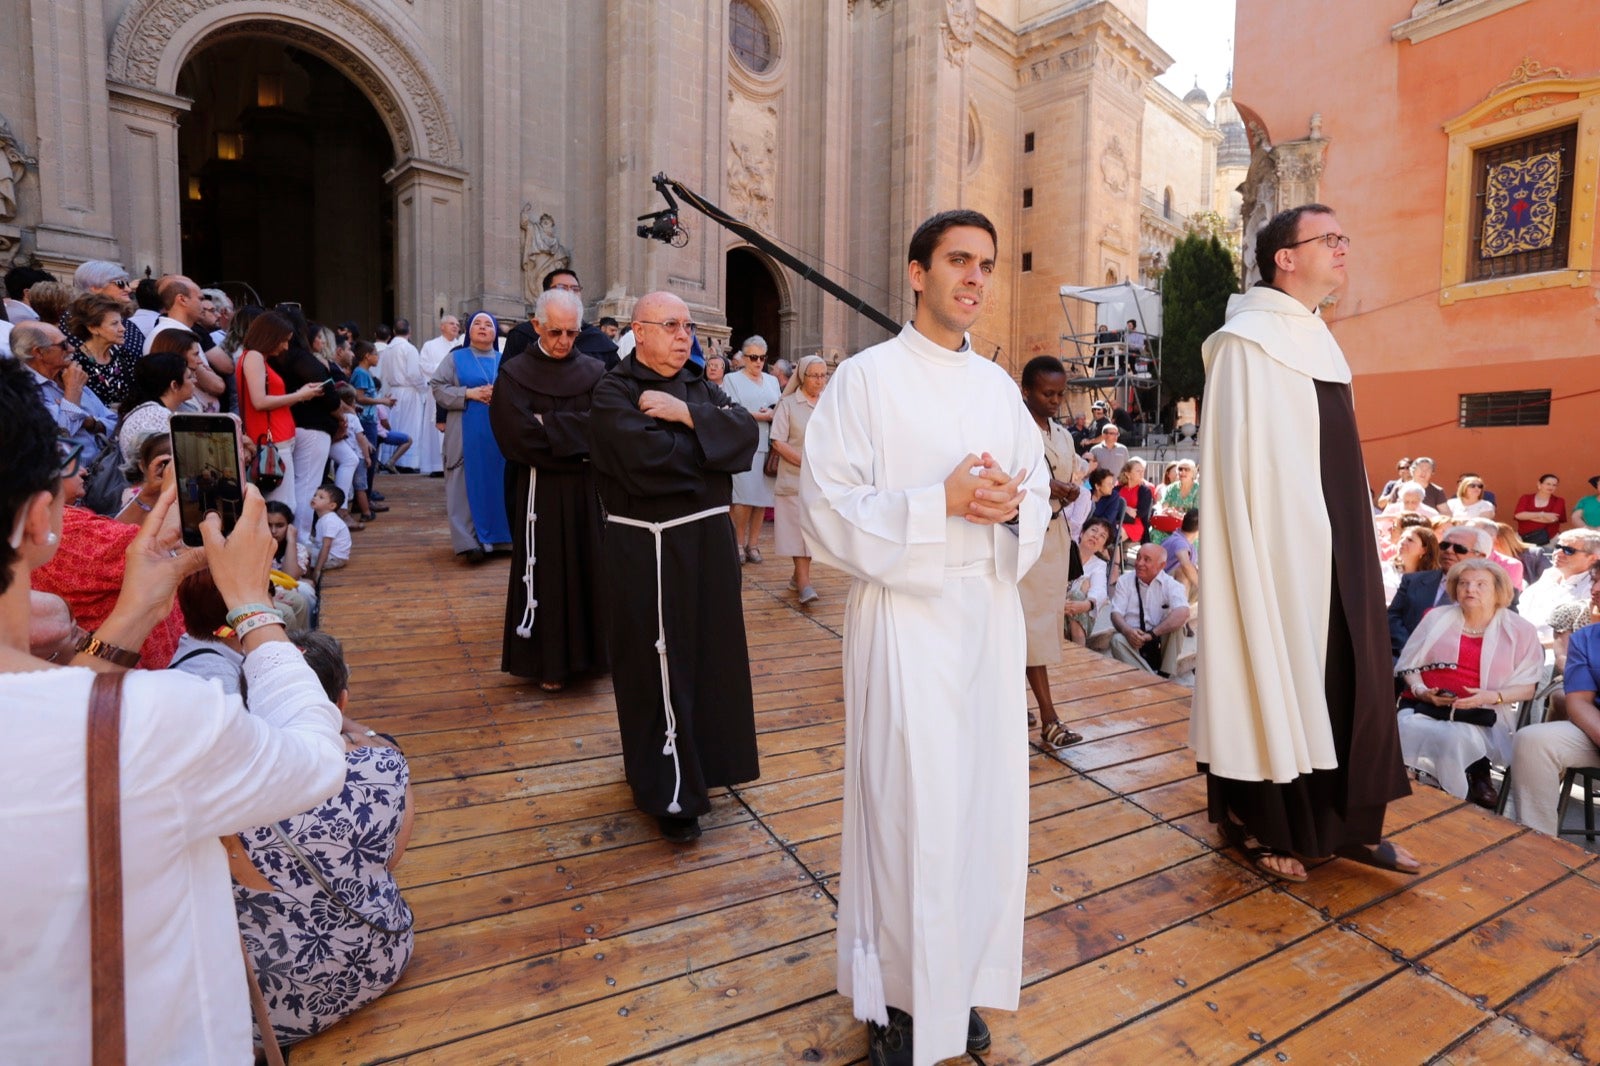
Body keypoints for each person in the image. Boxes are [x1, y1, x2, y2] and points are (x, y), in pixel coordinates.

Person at [0, 353, 346, 1062]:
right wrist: (253, 607)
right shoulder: (161, 722)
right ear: (39, 519)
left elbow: (50, 709)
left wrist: (134, 612)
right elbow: (313, 762)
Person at [799, 209, 1048, 1066]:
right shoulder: (865, 382)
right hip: (905, 624)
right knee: (909, 813)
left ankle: (963, 984)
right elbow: (826, 509)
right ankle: (900, 999)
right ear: (916, 273)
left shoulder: (1000, 389)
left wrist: (1012, 508)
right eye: (957, 261)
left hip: (984, 620)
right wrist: (936, 503)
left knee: (982, 811)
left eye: (985, 264)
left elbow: (1038, 492)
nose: (975, 278)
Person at [1191, 203, 1416, 885]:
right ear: (1284, 257)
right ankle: (1266, 824)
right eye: (1330, 239)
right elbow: (1233, 470)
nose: (1344, 248)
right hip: (1277, 548)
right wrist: (1268, 547)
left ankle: (1345, 826)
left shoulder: (1316, 338)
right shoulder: (1246, 343)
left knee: (1352, 670)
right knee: (1278, 668)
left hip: (1337, 535)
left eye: (1346, 237)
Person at [588, 290, 760, 844]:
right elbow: (645, 462)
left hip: (707, 545)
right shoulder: (613, 390)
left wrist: (687, 416)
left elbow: (746, 437)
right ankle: (669, 791)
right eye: (671, 324)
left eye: (688, 325)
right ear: (639, 330)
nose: (685, 334)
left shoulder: (698, 386)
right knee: (657, 661)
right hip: (649, 550)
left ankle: (708, 766)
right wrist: (708, 449)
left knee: (711, 657)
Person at [232, 629, 415, 1047]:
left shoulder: (224, 798)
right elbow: (390, 860)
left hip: (273, 1013)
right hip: (384, 956)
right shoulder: (385, 764)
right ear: (343, 703)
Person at [488, 287, 609, 691]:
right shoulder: (515, 373)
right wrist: (575, 440)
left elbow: (606, 430)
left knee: (589, 565)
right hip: (537, 490)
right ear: (537, 325)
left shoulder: (594, 372)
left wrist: (548, 425)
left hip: (585, 491)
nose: (563, 342)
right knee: (546, 572)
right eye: (555, 332)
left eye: (572, 333)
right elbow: (514, 436)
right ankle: (550, 665)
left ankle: (591, 660)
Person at [1397, 560, 1542, 807]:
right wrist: (1422, 691)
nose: (1470, 589)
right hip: (1426, 706)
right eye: (1463, 583)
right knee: (1400, 728)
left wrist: (1489, 696)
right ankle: (1411, 795)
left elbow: (1528, 687)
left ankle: (1453, 797)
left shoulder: (1520, 630)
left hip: (1481, 712)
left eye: (1480, 584)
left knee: (1454, 738)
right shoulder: (1436, 617)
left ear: (1499, 590)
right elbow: (1409, 664)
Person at [1016, 355, 1084, 749]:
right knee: (1029, 627)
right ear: (1026, 391)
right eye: (1047, 393)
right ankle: (1049, 717)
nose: (1056, 400)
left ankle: (1014, 702)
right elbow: (1008, 480)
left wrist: (1068, 489)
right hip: (1023, 538)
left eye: (1060, 393)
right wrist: (1047, 488)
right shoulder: (1013, 429)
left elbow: (1068, 473)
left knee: (1038, 625)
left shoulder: (1062, 434)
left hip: (1054, 536)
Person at [1508, 592, 1600, 834]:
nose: (1596, 588)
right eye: (1595, 580)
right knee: (1532, 740)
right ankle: (1537, 848)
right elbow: (1579, 702)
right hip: (1596, 729)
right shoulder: (1585, 638)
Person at [431, 311, 513, 563]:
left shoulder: (505, 361)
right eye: (477, 323)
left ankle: (502, 540)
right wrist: (469, 393)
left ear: (495, 332)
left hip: (498, 435)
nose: (482, 327)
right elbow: (437, 386)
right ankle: (469, 542)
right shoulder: (455, 358)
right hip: (465, 431)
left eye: (489, 324)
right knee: (463, 484)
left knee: (499, 482)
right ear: (468, 331)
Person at [236, 311, 324, 512]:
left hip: (275, 437)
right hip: (273, 439)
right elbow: (259, 401)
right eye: (283, 341)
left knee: (282, 502)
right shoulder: (254, 357)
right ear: (269, 337)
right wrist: (300, 395)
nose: (285, 347)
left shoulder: (254, 358)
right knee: (283, 506)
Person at [273, 305, 343, 540]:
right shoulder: (299, 357)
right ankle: (300, 539)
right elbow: (328, 392)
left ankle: (293, 539)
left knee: (293, 486)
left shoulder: (272, 359)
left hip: (290, 425)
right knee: (306, 486)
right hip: (312, 427)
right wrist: (340, 416)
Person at [769, 354, 828, 604]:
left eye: (823, 375)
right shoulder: (789, 404)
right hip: (794, 478)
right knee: (797, 531)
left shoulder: (829, 404)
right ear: (802, 377)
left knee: (813, 531)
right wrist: (806, 462)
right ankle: (804, 583)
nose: (819, 380)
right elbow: (778, 441)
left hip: (822, 481)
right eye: (814, 375)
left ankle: (798, 577)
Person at [721, 334, 782, 563]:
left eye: (762, 357)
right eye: (753, 357)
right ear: (744, 357)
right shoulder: (732, 379)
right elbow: (729, 408)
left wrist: (773, 413)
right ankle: (736, 543)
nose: (758, 362)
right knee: (742, 498)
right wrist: (757, 415)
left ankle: (753, 544)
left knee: (762, 498)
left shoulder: (772, 380)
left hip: (767, 444)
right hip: (744, 444)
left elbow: (780, 406)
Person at [1388, 525, 1488, 657]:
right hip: (1405, 659)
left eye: (1459, 548)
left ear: (1479, 556)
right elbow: (1393, 616)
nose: (1449, 551)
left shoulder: (1494, 592)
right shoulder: (1413, 581)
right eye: (1445, 545)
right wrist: (1410, 648)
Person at [504, 268, 620, 368]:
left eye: (575, 289)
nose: (570, 293)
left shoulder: (598, 340)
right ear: (546, 293)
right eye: (561, 288)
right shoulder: (522, 335)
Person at [1109, 542, 1191, 675]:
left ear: (1161, 566)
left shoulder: (1171, 585)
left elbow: (1183, 612)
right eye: (1138, 557)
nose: (1139, 563)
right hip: (1133, 639)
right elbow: (1115, 613)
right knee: (1117, 640)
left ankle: (1163, 674)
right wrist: (1127, 631)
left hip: (1157, 639)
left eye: (1147, 560)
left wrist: (1152, 635)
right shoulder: (1125, 581)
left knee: (1178, 628)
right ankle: (1156, 681)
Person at [1517, 528, 1600, 642]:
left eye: (1569, 550)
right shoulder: (1549, 575)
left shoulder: (1593, 589)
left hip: (1555, 652)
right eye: (1557, 547)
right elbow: (1521, 608)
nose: (1558, 553)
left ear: (1593, 558)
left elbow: (1579, 639)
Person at [64, 286, 142, 406]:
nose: (123, 329)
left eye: (121, 322)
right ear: (93, 328)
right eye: (114, 324)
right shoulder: (77, 365)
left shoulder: (124, 356)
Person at [115, 349, 195, 458]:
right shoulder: (157, 417)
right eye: (189, 377)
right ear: (174, 385)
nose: (195, 381)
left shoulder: (151, 411)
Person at [381, 318, 428, 472]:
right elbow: (414, 374)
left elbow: (385, 373)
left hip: (393, 391)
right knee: (410, 426)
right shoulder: (409, 349)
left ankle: (390, 458)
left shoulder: (387, 349)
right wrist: (423, 389)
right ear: (410, 331)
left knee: (395, 424)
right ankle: (406, 462)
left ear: (393, 332)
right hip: (409, 391)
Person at [414, 316, 458, 476]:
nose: (455, 326)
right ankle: (435, 465)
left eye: (457, 324)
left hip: (455, 393)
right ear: (442, 327)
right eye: (452, 324)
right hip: (437, 392)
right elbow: (423, 366)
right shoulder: (430, 345)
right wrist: (444, 369)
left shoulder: (459, 346)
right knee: (435, 429)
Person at [1066, 517, 1114, 649]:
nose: (1095, 536)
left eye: (1102, 536)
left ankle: (1079, 651)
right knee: (1081, 588)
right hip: (1056, 608)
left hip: (1080, 614)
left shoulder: (1099, 565)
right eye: (1093, 530)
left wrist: (1087, 604)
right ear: (1082, 533)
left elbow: (1100, 591)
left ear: (1102, 547)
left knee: (1077, 594)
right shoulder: (1065, 550)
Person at [308, 484, 352, 580]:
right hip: (331, 556)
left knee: (302, 553)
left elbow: (326, 546)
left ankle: (310, 578)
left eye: (321, 497)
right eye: (315, 495)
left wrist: (317, 569)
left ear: (332, 505)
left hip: (335, 558)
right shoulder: (324, 519)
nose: (315, 498)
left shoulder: (330, 521)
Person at [1151, 458, 1198, 545]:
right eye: (1180, 469)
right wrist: (1168, 511)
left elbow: (1196, 515)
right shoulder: (1172, 488)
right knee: (1155, 532)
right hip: (1171, 524)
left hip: (1191, 527)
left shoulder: (1198, 489)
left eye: (1186, 469)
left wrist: (1178, 515)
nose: (1182, 472)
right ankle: (1158, 557)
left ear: (1193, 473)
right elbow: (1164, 507)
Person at [1514, 473, 1565, 546]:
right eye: (1548, 484)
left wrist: (1527, 516)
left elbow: (1553, 519)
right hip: (1523, 539)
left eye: (1554, 485)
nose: (1551, 487)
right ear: (1539, 484)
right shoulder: (1525, 498)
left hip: (1549, 539)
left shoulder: (1559, 501)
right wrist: (1543, 514)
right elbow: (1518, 515)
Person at [1116, 456, 1154, 547]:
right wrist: (1126, 508)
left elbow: (1141, 513)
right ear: (1128, 474)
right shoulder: (1117, 489)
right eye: (1138, 471)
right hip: (1116, 520)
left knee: (1116, 533)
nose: (1142, 474)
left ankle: (1116, 561)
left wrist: (1121, 507)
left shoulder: (1144, 491)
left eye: (1142, 471)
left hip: (1135, 524)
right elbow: (1111, 505)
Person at [1163, 508, 1200, 599]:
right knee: (1184, 572)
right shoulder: (1179, 542)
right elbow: (1185, 565)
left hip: (1174, 586)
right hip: (1162, 588)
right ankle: (1180, 609)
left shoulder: (1187, 543)